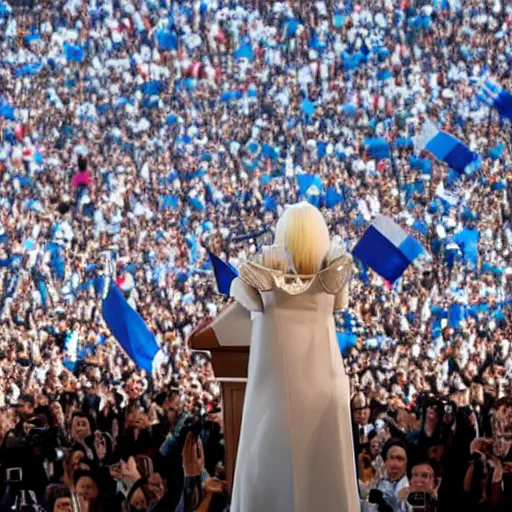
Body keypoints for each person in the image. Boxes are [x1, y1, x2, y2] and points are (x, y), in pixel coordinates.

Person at [230, 201, 359, 512]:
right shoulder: (334, 274)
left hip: (276, 394)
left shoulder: (261, 276)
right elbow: (340, 302)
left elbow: (239, 297)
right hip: (323, 387)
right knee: (326, 474)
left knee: (273, 475)